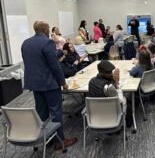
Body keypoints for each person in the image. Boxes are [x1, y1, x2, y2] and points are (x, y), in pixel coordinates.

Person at [21, 21, 77, 151]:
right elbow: (54, 65)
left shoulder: (26, 43)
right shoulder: (48, 43)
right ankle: (59, 141)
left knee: (42, 112)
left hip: (34, 84)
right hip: (49, 84)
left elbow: (36, 61)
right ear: (46, 30)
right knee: (56, 112)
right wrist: (63, 82)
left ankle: (46, 139)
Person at [88, 60, 133, 127]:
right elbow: (119, 101)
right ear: (103, 73)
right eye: (109, 72)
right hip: (109, 112)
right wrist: (117, 83)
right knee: (127, 100)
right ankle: (128, 125)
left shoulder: (91, 81)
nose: (111, 74)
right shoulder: (109, 87)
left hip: (95, 112)